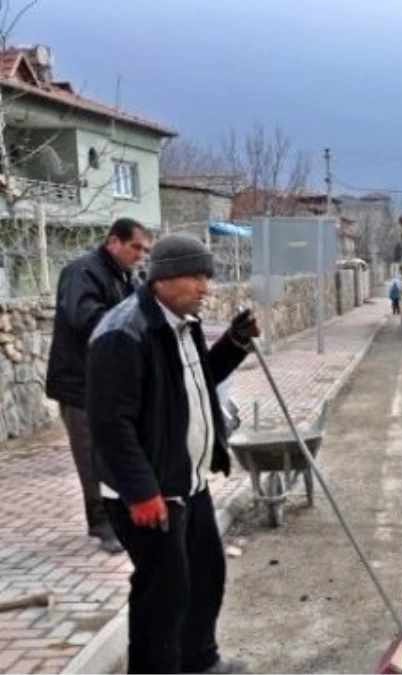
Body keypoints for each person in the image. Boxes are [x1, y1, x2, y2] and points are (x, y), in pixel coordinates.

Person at [87, 233, 259, 674]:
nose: (205, 287)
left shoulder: (184, 324)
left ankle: (198, 662)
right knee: (162, 596)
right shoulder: (124, 332)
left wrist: (234, 345)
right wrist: (141, 491)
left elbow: (197, 381)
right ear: (163, 277)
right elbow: (110, 423)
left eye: (208, 276)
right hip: (151, 494)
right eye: (195, 276)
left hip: (188, 481)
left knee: (205, 576)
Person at [45, 217, 150, 554]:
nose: (140, 255)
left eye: (145, 250)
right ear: (113, 242)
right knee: (91, 454)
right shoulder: (82, 271)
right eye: (135, 247)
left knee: (116, 449)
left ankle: (120, 514)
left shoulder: (125, 277)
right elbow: (85, 316)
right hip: (79, 383)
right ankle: (103, 525)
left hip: (109, 382)